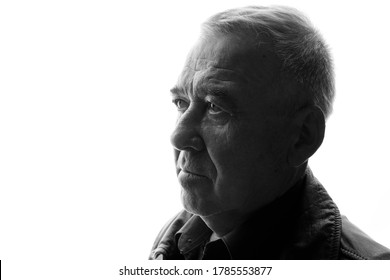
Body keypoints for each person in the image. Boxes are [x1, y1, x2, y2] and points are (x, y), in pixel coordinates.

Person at [149, 5, 390, 260]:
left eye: (215, 107)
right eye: (181, 103)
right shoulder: (177, 238)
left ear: (302, 136)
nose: (178, 137)